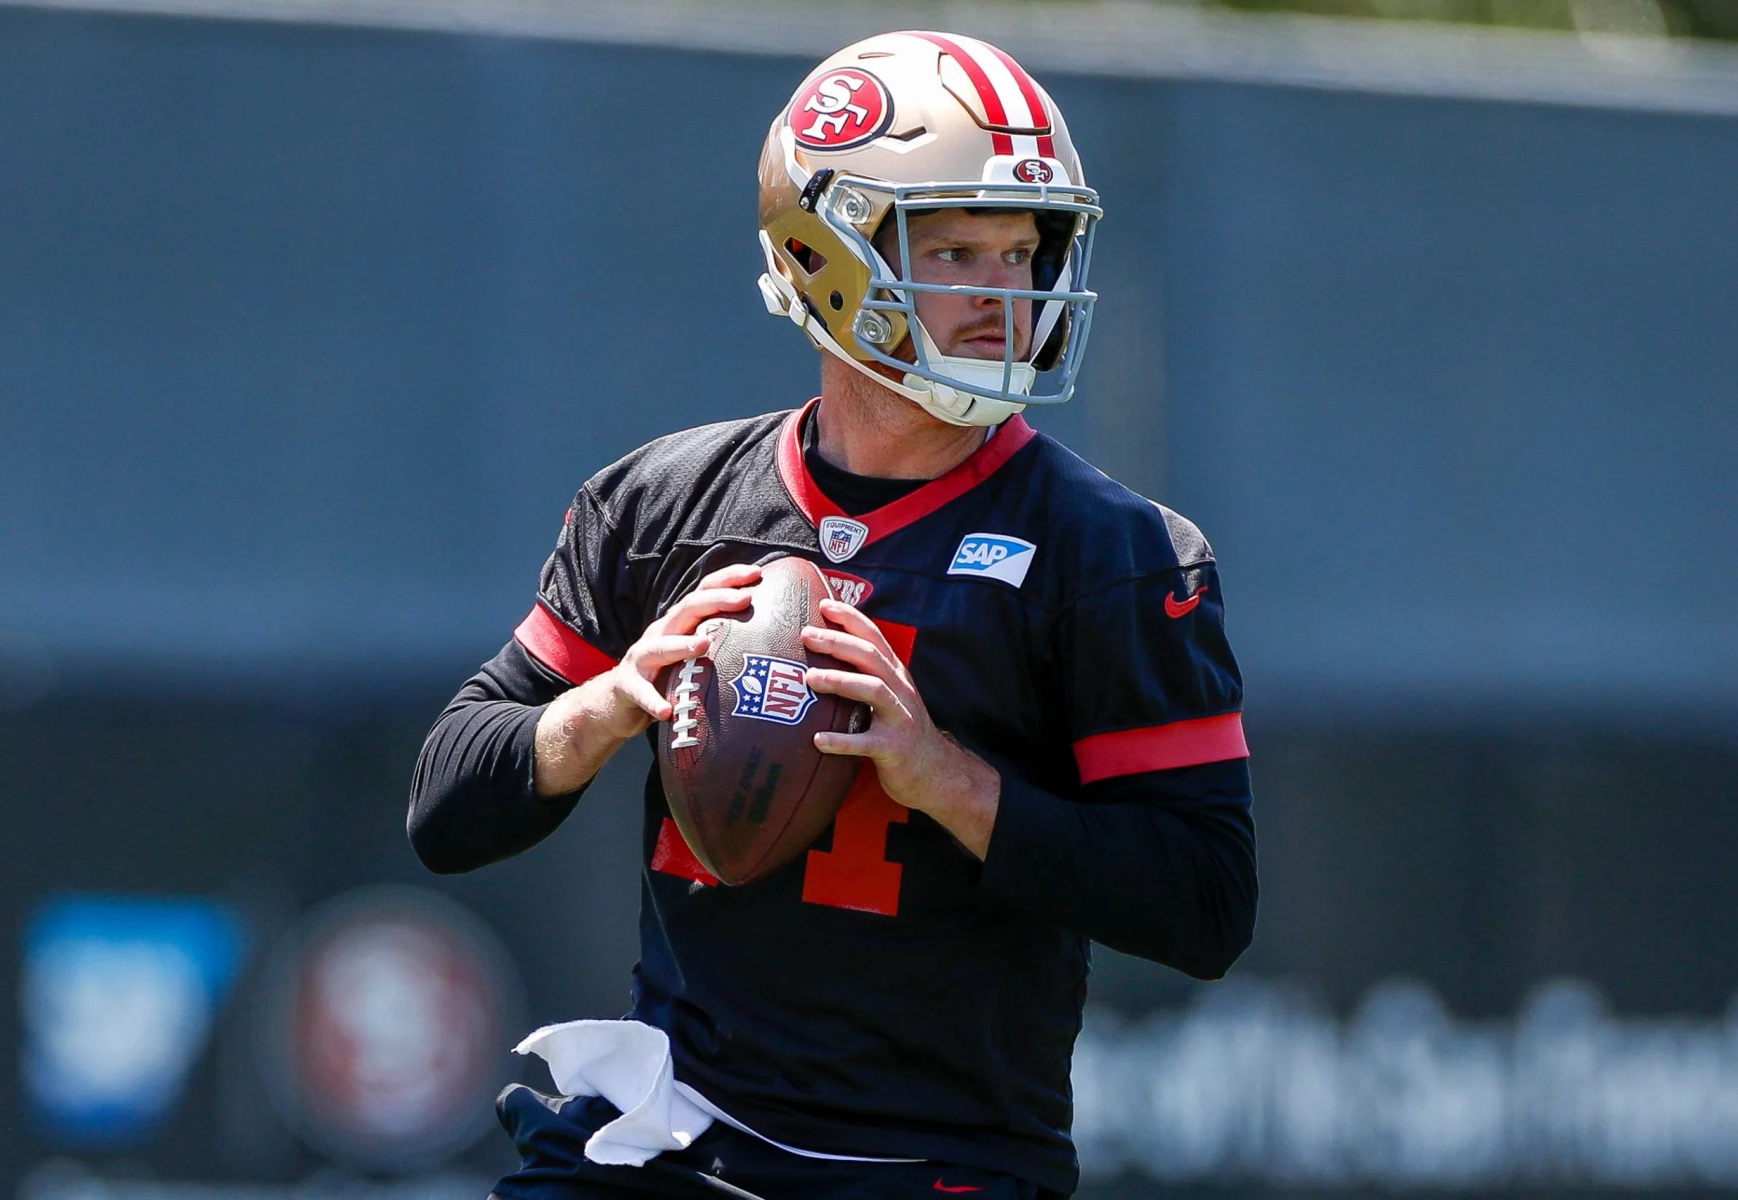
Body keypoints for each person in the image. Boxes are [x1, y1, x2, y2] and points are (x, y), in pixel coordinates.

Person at [409, 30, 1256, 1200]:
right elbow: (445, 809)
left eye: (1023, 251)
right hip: (681, 1133)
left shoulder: (1112, 555)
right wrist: (605, 706)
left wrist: (949, 781)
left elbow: (1206, 906)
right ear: (825, 257)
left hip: (934, 1161)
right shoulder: (662, 505)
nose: (1005, 296)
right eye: (956, 250)